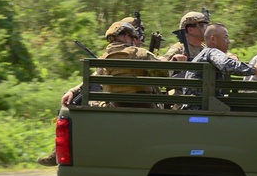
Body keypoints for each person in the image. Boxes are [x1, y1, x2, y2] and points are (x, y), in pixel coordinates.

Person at [37, 20, 167, 165]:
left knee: (75, 111)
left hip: (115, 109)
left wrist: (72, 91)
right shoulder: (141, 53)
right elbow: (165, 74)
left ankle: (58, 152)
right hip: (146, 110)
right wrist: (162, 60)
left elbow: (91, 80)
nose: (134, 41)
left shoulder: (102, 59)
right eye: (132, 37)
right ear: (125, 37)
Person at [182, 23, 257, 107]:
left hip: (198, 104)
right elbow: (227, 65)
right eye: (225, 37)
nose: (228, 41)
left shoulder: (205, 53)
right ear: (213, 39)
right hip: (201, 107)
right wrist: (254, 70)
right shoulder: (212, 52)